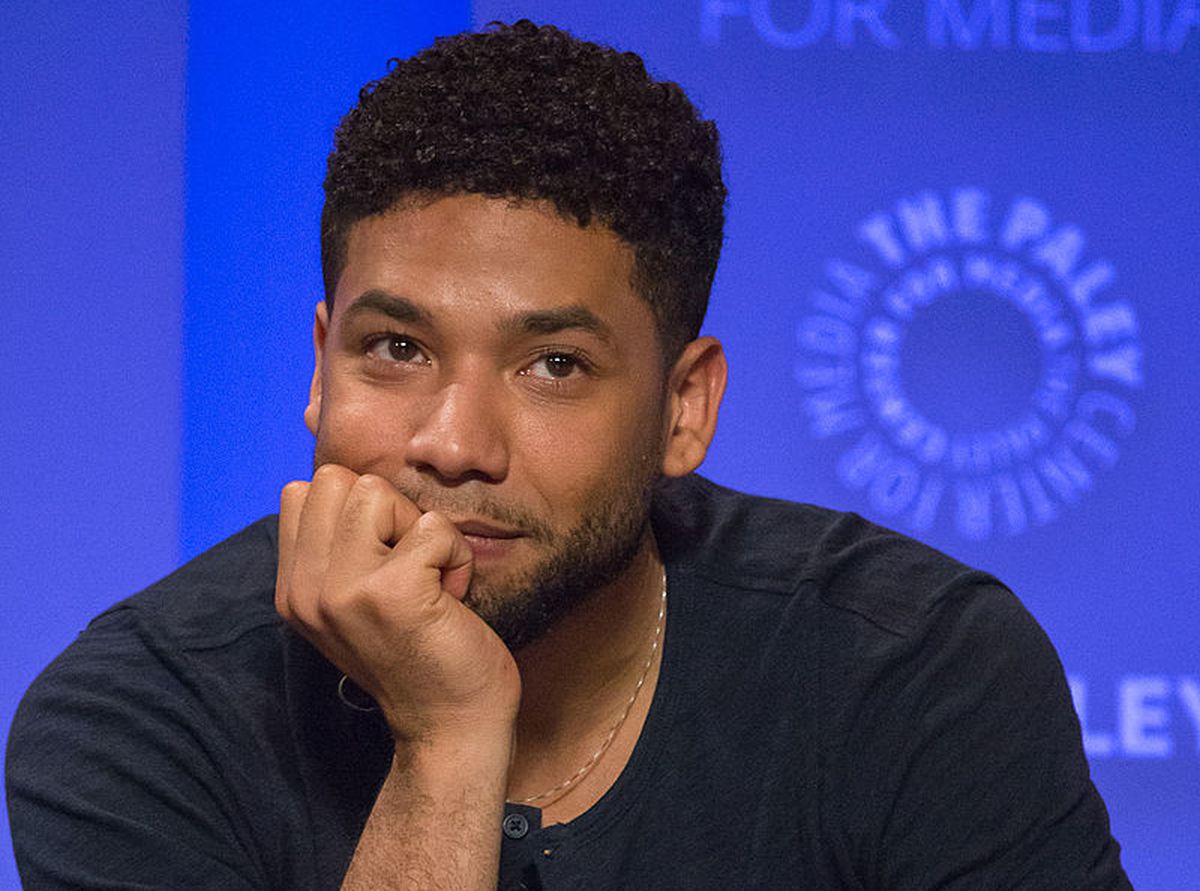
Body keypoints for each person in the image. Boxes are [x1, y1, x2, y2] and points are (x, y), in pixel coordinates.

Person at [7, 20, 1131, 891]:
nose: (454, 444)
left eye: (554, 365)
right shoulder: (136, 721)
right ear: (318, 365)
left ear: (684, 407)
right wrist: (445, 741)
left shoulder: (914, 671)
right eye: (396, 348)